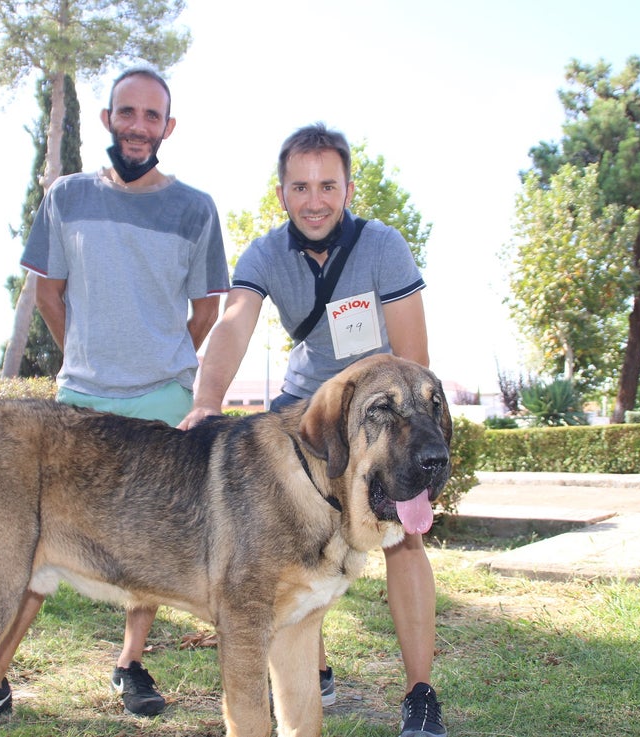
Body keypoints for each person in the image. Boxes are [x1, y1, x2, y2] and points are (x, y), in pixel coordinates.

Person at [0, 66, 229, 729]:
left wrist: (159, 361)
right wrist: (87, 355)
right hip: (78, 400)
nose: (139, 125)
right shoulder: (67, 195)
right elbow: (49, 292)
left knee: (158, 544)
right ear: (109, 119)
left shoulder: (196, 208)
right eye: (127, 112)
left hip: (164, 399)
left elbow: (207, 309)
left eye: (152, 115)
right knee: (35, 540)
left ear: (168, 127)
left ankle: (131, 660)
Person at [179, 123, 447, 737]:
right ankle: (308, 676)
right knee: (293, 543)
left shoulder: (383, 247)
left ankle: (420, 693)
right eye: (301, 186)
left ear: (348, 188)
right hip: (306, 411)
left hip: (380, 414)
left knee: (406, 536)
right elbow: (236, 321)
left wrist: (405, 437)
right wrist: (206, 400)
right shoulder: (266, 253)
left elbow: (412, 359)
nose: (315, 199)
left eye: (328, 185)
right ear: (282, 194)